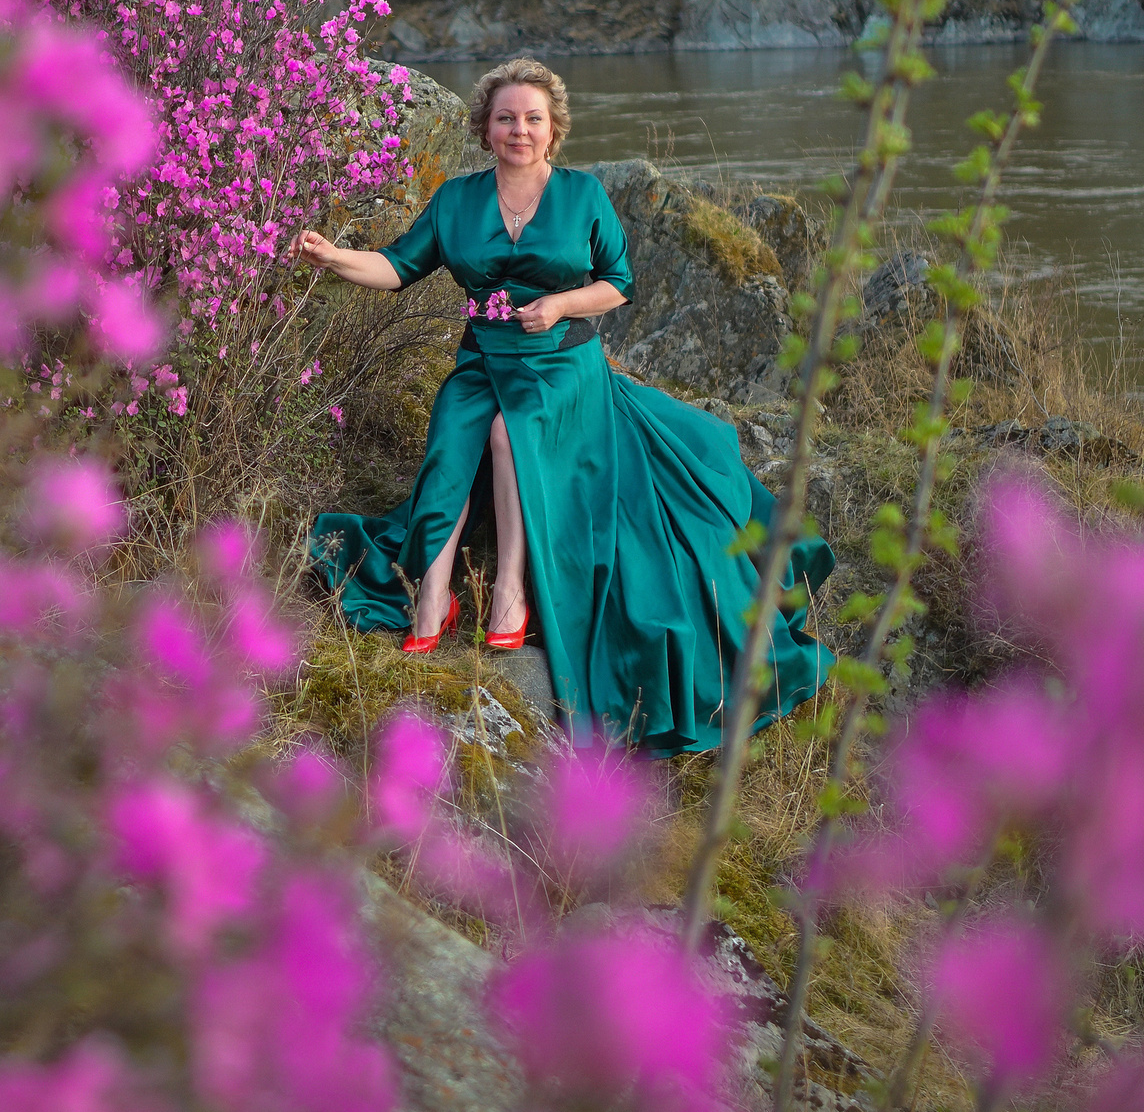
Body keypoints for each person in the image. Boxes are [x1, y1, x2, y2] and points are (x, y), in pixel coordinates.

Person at [298, 57, 831, 756]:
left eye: (533, 119)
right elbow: (397, 267)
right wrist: (334, 256)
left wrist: (559, 305)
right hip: (483, 358)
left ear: (553, 130)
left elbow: (618, 282)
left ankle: (511, 593)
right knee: (454, 435)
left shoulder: (583, 195)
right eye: (506, 118)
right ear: (485, 129)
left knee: (507, 431)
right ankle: (433, 593)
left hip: (563, 362)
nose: (519, 130)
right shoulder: (456, 200)